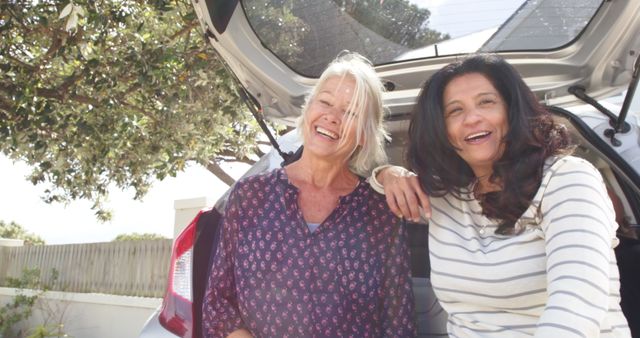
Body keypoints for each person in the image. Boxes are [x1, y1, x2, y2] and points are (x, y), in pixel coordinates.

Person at [370, 54, 631, 337]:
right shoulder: (447, 197)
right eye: (454, 111)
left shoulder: (568, 178)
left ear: (512, 110)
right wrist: (387, 173)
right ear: (443, 132)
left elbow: (576, 308)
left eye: (486, 102)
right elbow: (355, 185)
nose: (472, 118)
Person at [202, 52, 416, 338]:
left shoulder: (380, 212)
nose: (332, 116)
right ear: (309, 109)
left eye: (350, 112)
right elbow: (218, 301)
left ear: (365, 134)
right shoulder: (251, 195)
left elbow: (398, 322)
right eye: (325, 102)